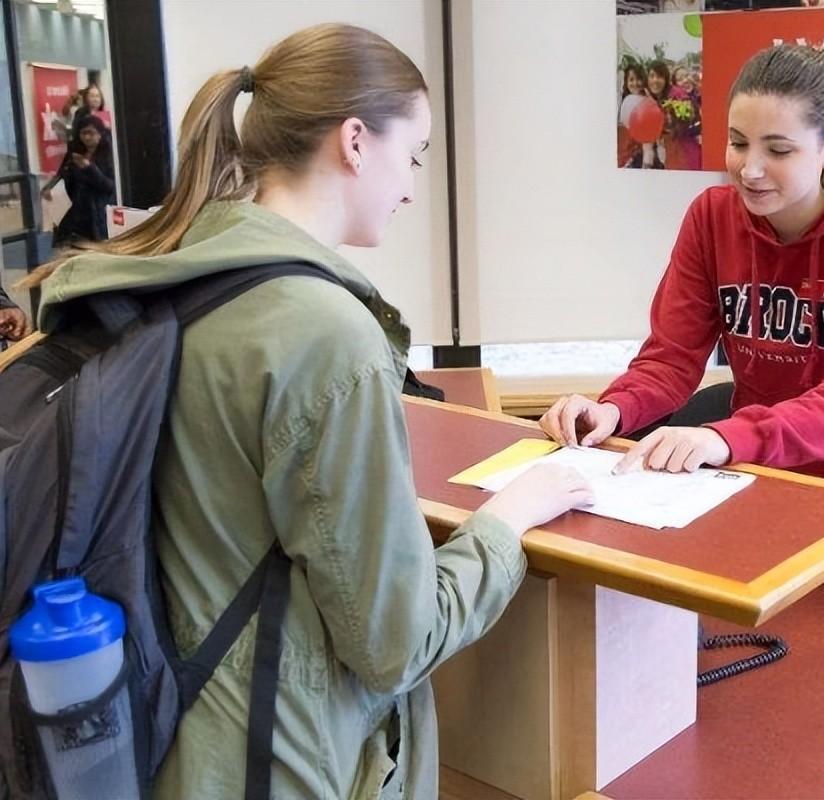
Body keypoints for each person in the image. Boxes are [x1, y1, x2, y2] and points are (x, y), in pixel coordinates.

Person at [25, 23, 593, 799]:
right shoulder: (321, 332)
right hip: (279, 756)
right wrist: (510, 520)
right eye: (415, 153)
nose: (411, 186)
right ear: (355, 141)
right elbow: (397, 641)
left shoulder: (166, 274)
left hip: (160, 733)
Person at [541, 44, 824, 595]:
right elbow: (670, 357)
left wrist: (726, 438)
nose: (750, 168)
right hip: (768, 472)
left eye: (778, 150)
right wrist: (613, 408)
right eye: (738, 143)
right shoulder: (711, 218)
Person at [41, 115, 116, 245]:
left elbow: (109, 186)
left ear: (100, 134)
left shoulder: (109, 155)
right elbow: (61, 174)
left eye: (91, 133)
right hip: (73, 213)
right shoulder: (75, 152)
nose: (87, 137)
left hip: (97, 215)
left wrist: (89, 168)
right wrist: (49, 188)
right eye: (83, 133)